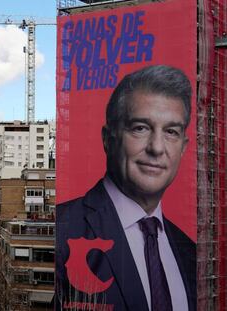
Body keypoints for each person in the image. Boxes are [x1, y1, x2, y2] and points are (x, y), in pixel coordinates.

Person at [56, 65, 196, 311]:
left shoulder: (190, 253)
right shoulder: (62, 228)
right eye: (140, 128)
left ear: (183, 147)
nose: (156, 148)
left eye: (171, 132)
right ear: (108, 138)